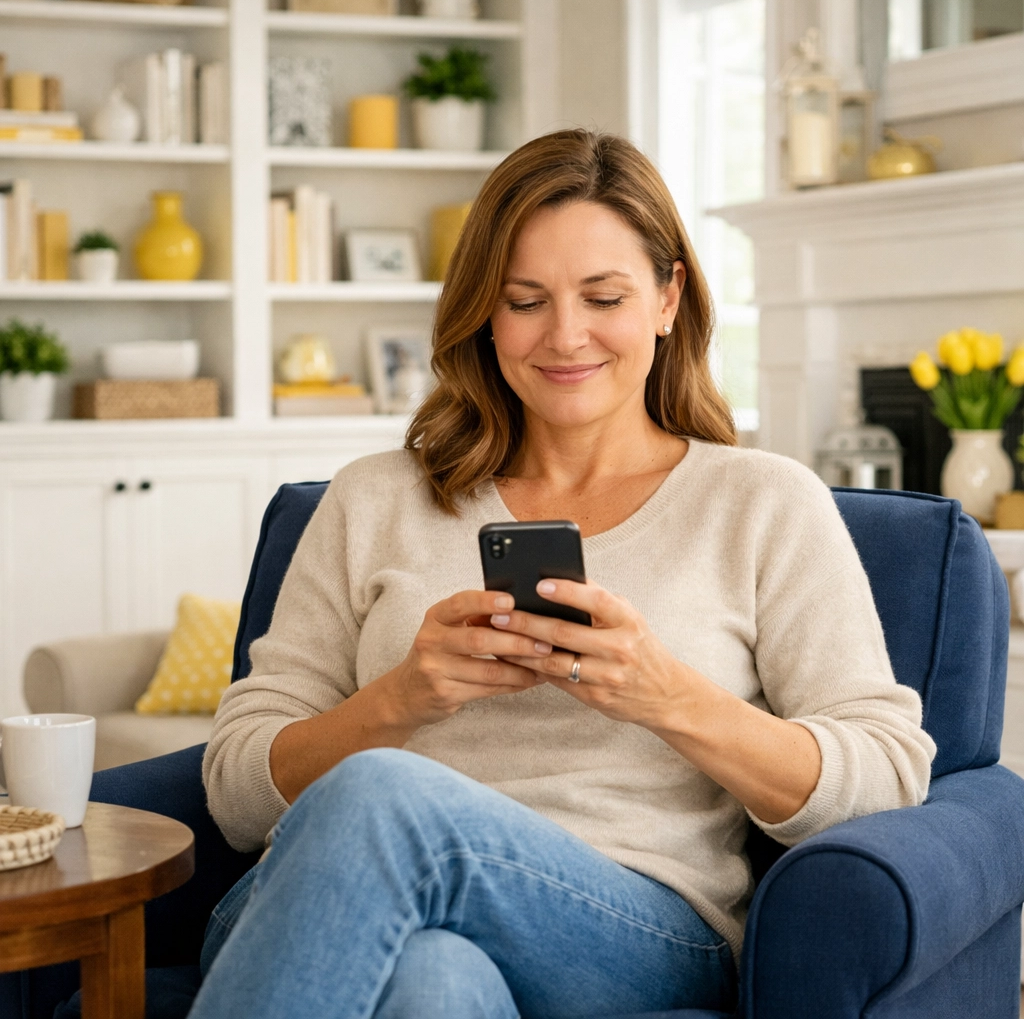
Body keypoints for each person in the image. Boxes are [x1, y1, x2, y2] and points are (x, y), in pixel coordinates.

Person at [190, 129, 935, 1019]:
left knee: (384, 798)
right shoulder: (371, 501)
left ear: (668, 298)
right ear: (484, 314)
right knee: (435, 984)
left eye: (603, 296)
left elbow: (886, 776)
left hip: (629, 931)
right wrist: (399, 700)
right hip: (324, 899)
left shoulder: (763, 503)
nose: (565, 335)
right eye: (526, 300)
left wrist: (668, 696)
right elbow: (236, 792)